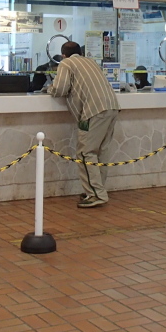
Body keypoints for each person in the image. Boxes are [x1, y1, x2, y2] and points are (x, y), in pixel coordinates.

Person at [47, 41, 120, 208]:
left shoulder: (66, 63)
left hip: (92, 111)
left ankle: (95, 194)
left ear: (63, 55)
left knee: (86, 152)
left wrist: (49, 88)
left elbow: (60, 89)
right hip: (112, 107)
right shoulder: (90, 62)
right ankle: (97, 189)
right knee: (101, 152)